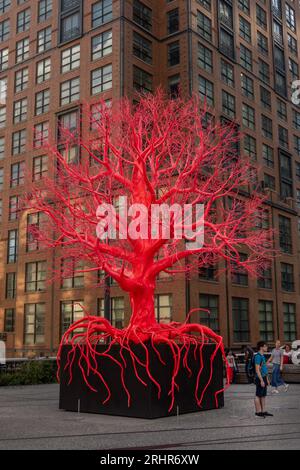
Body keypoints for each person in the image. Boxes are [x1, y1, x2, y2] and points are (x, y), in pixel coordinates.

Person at [254, 341, 273, 418]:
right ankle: (258, 412)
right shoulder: (258, 356)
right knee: (258, 395)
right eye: (265, 346)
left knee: (263, 395)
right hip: (260, 378)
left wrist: (267, 379)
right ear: (261, 347)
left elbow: (264, 368)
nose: (266, 347)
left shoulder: (262, 356)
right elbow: (257, 369)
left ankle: (263, 411)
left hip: (264, 377)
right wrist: (261, 380)